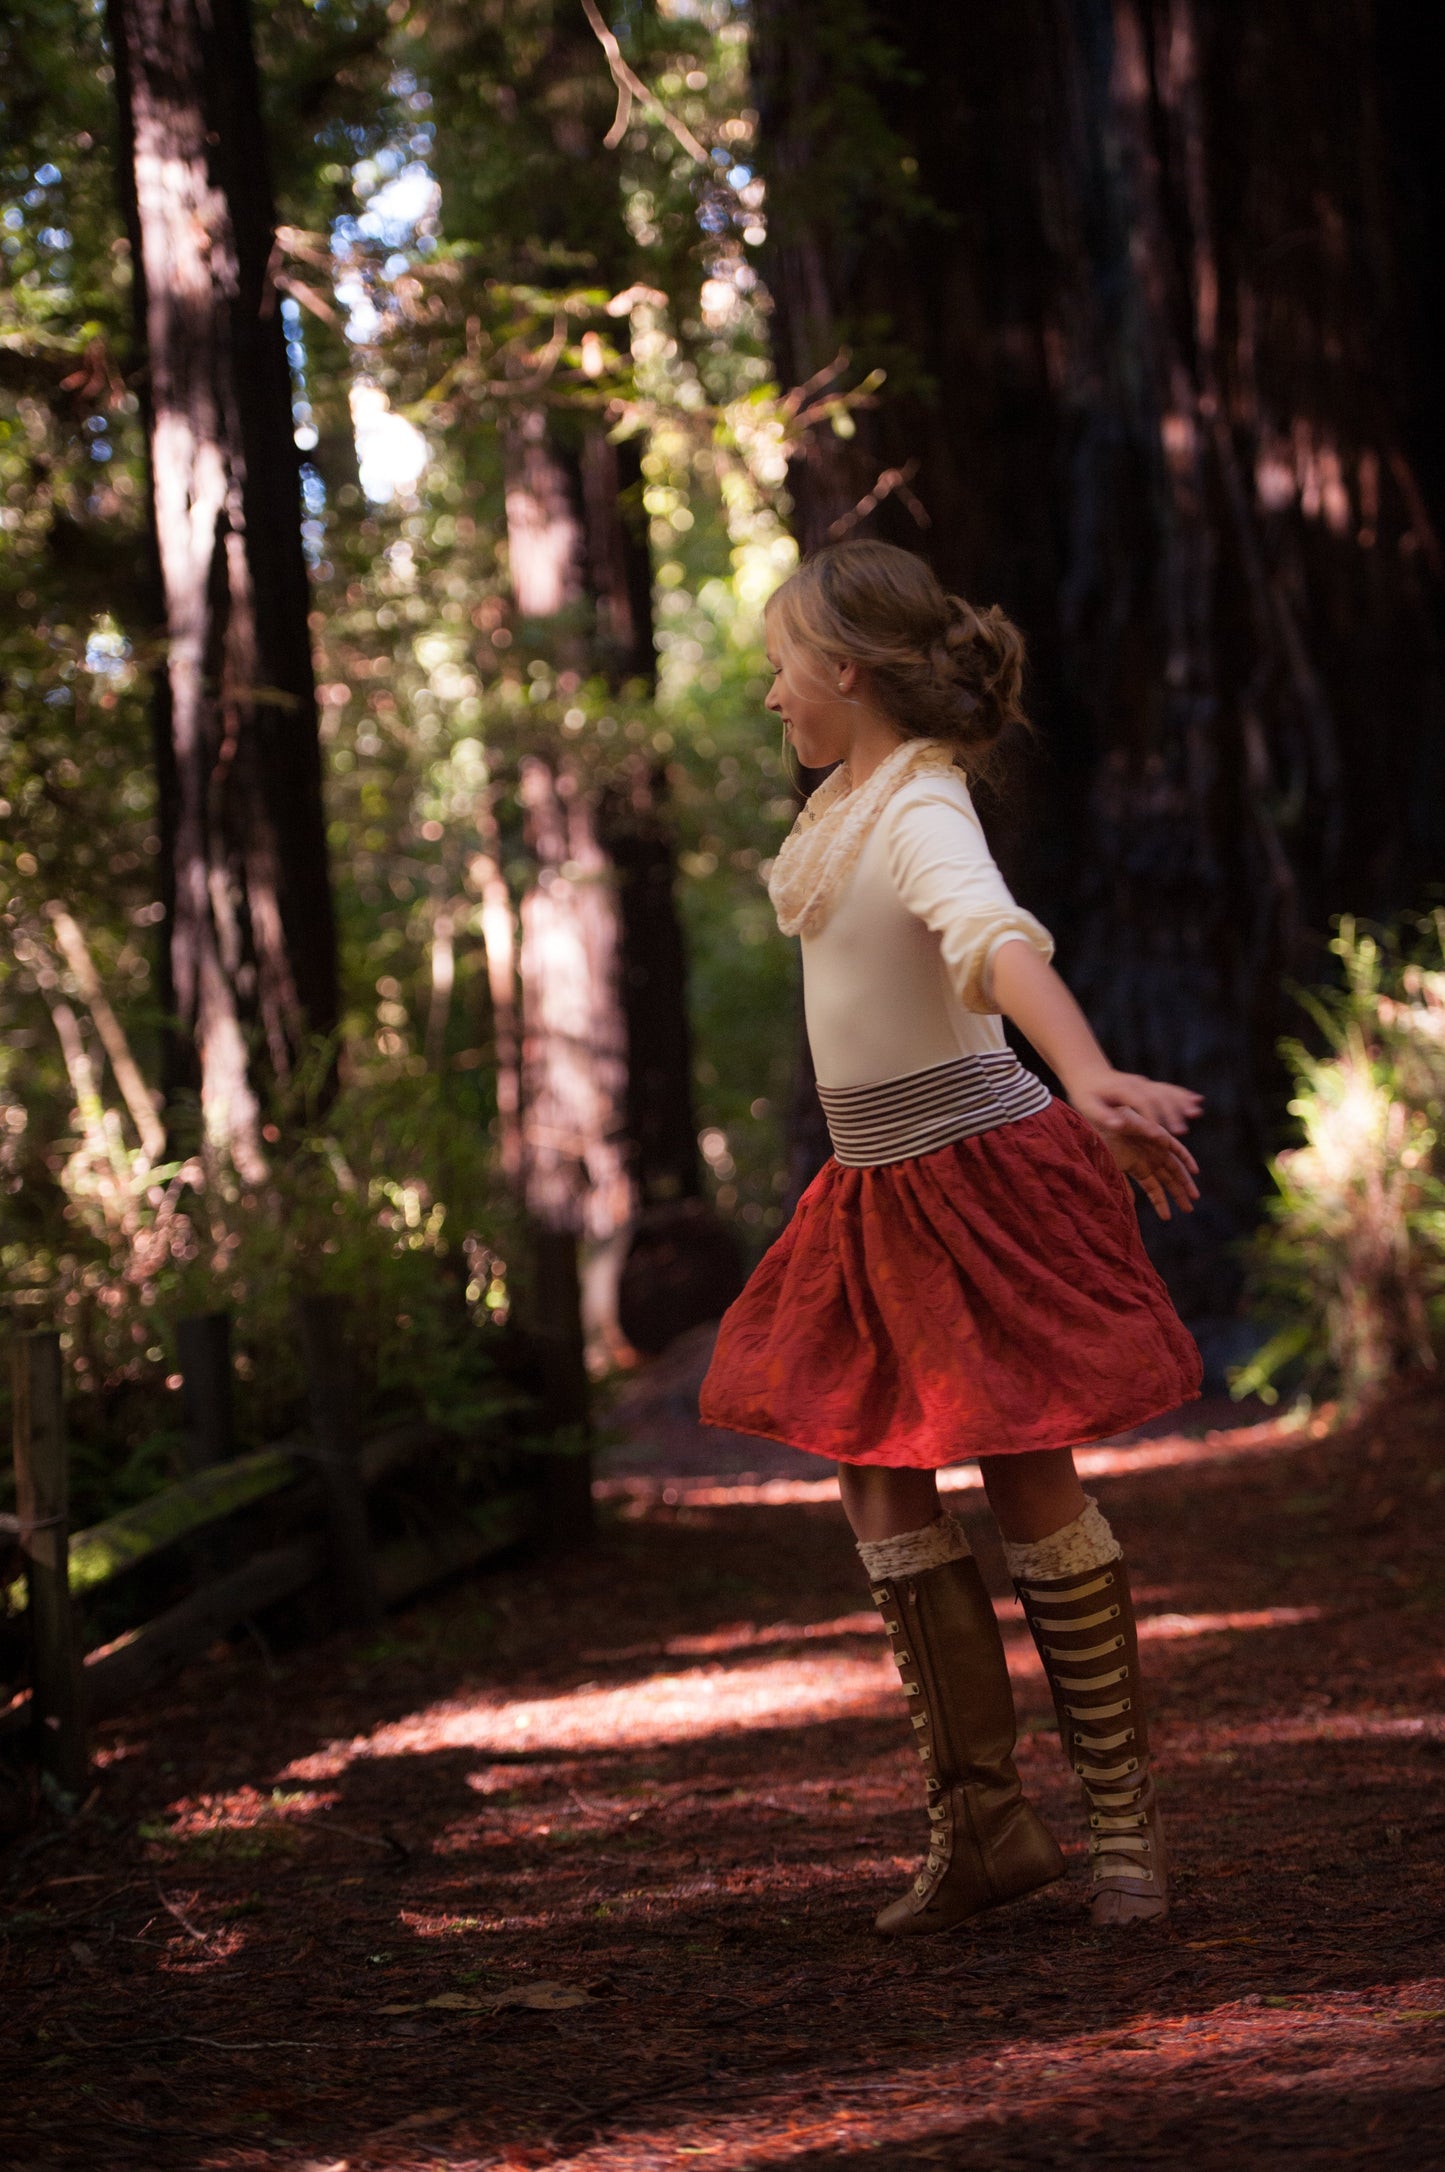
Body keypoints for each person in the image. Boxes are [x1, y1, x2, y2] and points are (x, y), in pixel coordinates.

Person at [699, 539, 1203, 1938]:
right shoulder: (843, 806)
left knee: (1026, 1469)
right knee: (875, 1479)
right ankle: (983, 1828)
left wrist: (1085, 1072)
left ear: (846, 669)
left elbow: (990, 939)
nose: (772, 695)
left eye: (783, 667)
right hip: (873, 1182)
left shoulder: (922, 799)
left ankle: (1121, 1826)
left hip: (971, 1170)